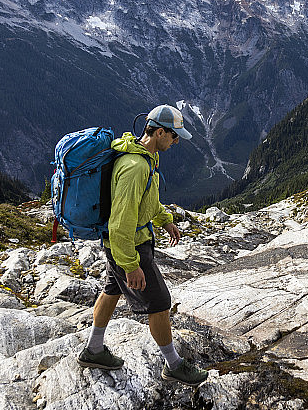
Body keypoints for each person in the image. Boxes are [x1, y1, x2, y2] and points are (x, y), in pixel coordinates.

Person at [77, 104, 209, 387]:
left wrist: (164, 219)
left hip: (130, 243)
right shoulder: (135, 166)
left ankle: (94, 350)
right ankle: (173, 365)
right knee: (160, 303)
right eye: (174, 137)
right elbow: (120, 221)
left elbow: (145, 201)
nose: (176, 142)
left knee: (112, 290)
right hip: (130, 246)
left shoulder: (144, 157)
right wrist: (130, 264)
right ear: (159, 132)